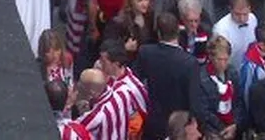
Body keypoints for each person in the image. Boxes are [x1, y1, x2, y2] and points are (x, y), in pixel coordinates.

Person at [134, 12, 204, 140]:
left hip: (153, 123)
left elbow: (135, 83)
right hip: (178, 128)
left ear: (158, 33)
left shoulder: (145, 52)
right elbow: (194, 102)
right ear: (178, 31)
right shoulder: (189, 63)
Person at [79, 40, 149, 140]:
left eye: (103, 61)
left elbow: (144, 116)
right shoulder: (100, 73)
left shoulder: (133, 88)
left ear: (116, 64)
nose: (100, 63)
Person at [199, 35, 245, 139]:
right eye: (219, 59)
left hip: (233, 127)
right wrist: (223, 129)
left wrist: (235, 125)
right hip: (213, 131)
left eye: (226, 59)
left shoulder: (232, 72)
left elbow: (238, 101)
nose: (223, 64)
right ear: (211, 57)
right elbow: (204, 111)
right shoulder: (201, 78)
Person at [211, 0, 258, 72]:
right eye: (237, 14)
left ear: (249, 9)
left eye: (245, 14)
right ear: (230, 9)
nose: (242, 19)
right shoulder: (220, 29)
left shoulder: (253, 18)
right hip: (230, 70)